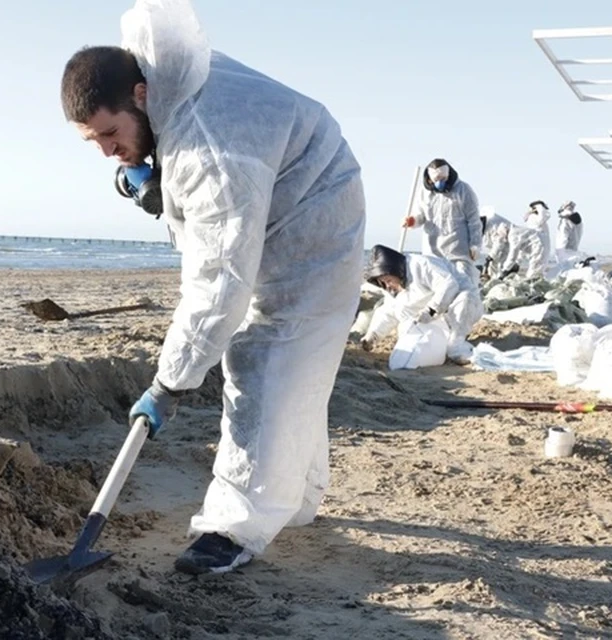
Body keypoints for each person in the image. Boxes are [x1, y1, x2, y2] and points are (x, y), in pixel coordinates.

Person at [60, 0, 366, 575]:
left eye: (110, 134)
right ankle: (296, 498)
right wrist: (157, 179)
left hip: (313, 227)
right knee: (297, 366)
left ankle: (233, 529)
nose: (106, 152)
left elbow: (217, 279)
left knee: (269, 357)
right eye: (92, 141)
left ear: (141, 96)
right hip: (283, 193)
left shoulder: (209, 150)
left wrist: (170, 381)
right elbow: (201, 199)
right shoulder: (171, 81)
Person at [361, 245, 483, 364]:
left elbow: (449, 286)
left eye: (388, 281)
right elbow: (388, 312)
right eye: (383, 283)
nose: (387, 285)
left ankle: (457, 344)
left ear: (394, 270)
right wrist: (373, 335)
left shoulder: (421, 265)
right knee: (402, 311)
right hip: (435, 314)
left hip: (465, 305)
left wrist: (430, 311)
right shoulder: (393, 287)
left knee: (465, 298)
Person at [402, 159, 482, 286]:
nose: (440, 182)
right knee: (438, 287)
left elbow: (474, 221)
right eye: (436, 179)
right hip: (433, 253)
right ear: (429, 179)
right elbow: (421, 216)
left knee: (464, 285)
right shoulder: (424, 193)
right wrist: (413, 221)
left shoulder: (463, 190)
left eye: (443, 178)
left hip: (458, 252)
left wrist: (475, 245)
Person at [479, 207, 512, 279]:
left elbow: (499, 242)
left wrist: (490, 256)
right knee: (494, 264)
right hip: (505, 245)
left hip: (508, 245)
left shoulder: (494, 225)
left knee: (500, 266)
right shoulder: (489, 224)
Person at [524, 200, 553, 268]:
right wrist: (540, 209)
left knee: (542, 260)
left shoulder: (535, 216)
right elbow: (541, 220)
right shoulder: (533, 216)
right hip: (539, 240)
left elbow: (547, 216)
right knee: (538, 259)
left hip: (541, 239)